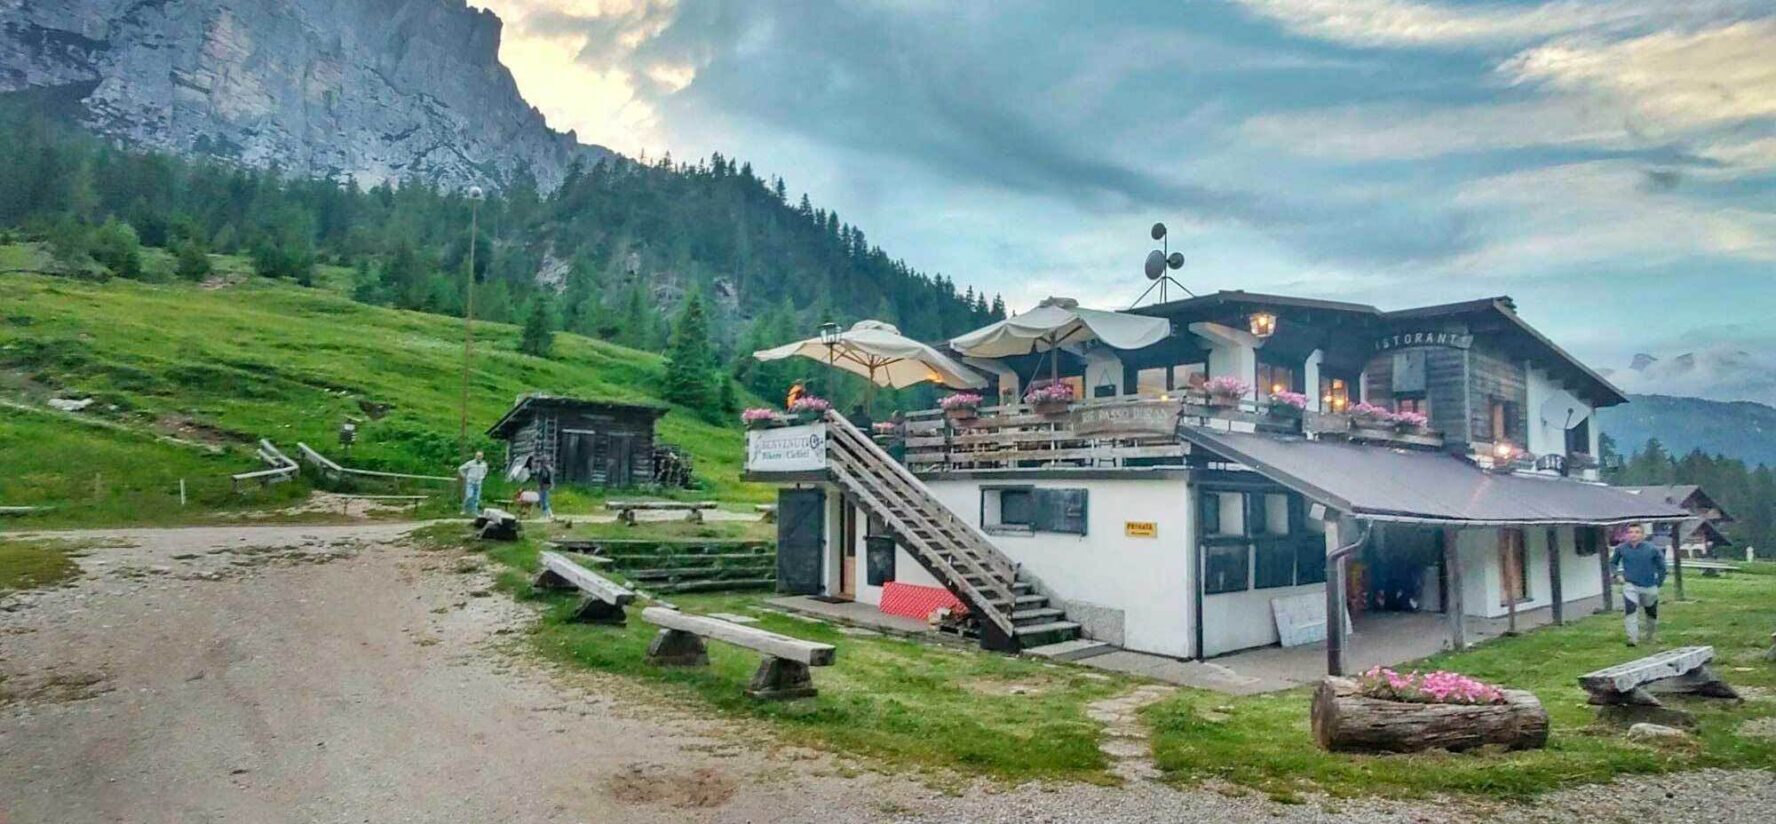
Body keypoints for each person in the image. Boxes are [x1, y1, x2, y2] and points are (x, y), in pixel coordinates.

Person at [1610, 524, 1668, 646]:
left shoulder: (1652, 549)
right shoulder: (1621, 549)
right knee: (1630, 610)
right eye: (1631, 532)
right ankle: (1632, 639)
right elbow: (1613, 564)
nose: (1633, 534)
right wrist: (1617, 575)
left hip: (1649, 585)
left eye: (1637, 532)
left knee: (1651, 612)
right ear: (1627, 535)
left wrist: (1659, 583)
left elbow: (1662, 567)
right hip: (1630, 585)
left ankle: (1650, 636)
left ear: (1642, 535)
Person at [457, 450, 489, 516]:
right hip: (470, 482)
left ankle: (474, 511)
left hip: (478, 483)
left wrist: (482, 477)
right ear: (475, 456)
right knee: (469, 496)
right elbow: (460, 468)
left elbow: (485, 471)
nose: (479, 457)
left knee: (476, 498)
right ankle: (464, 509)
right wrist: (464, 476)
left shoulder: (484, 464)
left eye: (480, 456)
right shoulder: (470, 463)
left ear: (482, 456)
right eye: (478, 456)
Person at [530, 454, 555, 520]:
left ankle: (546, 515)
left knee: (543, 501)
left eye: (541, 462)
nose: (540, 463)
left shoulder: (545, 469)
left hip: (544, 486)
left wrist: (540, 484)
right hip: (545, 486)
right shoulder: (547, 468)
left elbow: (543, 478)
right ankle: (550, 514)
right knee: (545, 500)